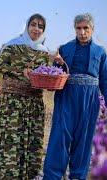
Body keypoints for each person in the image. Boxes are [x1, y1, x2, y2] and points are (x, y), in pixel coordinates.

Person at [43, 13, 107, 180]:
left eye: (86, 28)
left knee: (84, 140)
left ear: (92, 29)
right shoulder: (65, 48)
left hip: (89, 100)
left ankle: (78, 176)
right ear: (74, 29)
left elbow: (105, 80)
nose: (82, 32)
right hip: (66, 97)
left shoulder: (100, 52)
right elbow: (57, 73)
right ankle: (52, 176)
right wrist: (56, 63)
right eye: (79, 28)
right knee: (60, 137)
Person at [0, 13, 51, 179]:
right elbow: (0, 73)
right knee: (12, 141)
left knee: (32, 141)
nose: (36, 29)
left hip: (34, 104)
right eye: (33, 24)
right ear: (27, 26)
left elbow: (48, 75)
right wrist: (20, 73)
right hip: (13, 104)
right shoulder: (11, 46)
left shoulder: (45, 53)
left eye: (41, 26)